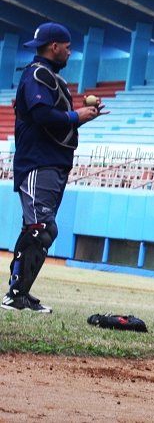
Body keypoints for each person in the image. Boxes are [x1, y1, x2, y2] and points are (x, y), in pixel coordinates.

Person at [2, 22, 107, 313]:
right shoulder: (37, 74)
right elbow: (42, 114)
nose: (70, 52)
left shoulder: (51, 78)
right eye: (68, 47)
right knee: (41, 228)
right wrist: (76, 115)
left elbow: (57, 117)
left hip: (53, 162)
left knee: (38, 228)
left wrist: (82, 115)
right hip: (38, 161)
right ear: (54, 46)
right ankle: (15, 294)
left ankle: (19, 292)